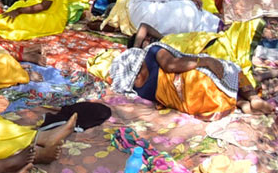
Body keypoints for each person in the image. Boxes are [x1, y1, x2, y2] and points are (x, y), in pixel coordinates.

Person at [109, 44, 271, 118]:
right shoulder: (152, 52)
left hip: (198, 105)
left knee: (206, 87)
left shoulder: (138, 89)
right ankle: (252, 97)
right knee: (228, 67)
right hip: (199, 85)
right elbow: (172, 65)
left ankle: (240, 103)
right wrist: (204, 61)